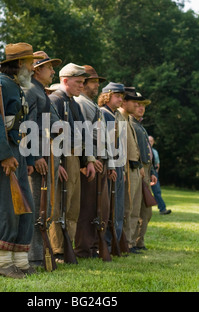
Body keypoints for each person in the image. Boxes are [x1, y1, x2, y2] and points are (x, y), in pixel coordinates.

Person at [0, 43, 44, 278]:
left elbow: (20, 128)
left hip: (16, 153)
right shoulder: (1, 86)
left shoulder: (13, 86)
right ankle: (5, 264)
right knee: (7, 207)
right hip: (4, 154)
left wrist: (24, 157)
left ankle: (20, 261)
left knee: (24, 206)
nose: (33, 67)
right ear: (18, 64)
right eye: (29, 63)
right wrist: (5, 156)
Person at [48, 63, 96, 263]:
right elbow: (50, 134)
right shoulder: (55, 100)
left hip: (75, 159)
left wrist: (88, 161)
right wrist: (56, 162)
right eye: (78, 82)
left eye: (83, 82)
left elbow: (82, 135)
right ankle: (57, 249)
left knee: (72, 207)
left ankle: (67, 246)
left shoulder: (73, 103)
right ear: (65, 80)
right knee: (59, 204)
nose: (82, 86)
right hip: (62, 158)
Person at [23, 51, 62, 266]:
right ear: (37, 69)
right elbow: (27, 127)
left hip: (48, 153)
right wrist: (35, 156)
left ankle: (39, 253)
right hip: (40, 156)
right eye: (49, 67)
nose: (53, 71)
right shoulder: (31, 91)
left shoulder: (40, 92)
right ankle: (34, 255)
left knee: (44, 206)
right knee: (37, 205)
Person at [74, 65, 114, 258]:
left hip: (99, 159)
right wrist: (87, 160)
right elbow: (84, 134)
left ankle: (91, 246)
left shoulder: (92, 105)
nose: (96, 85)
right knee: (88, 207)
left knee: (99, 208)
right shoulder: (81, 103)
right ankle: (83, 248)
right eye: (92, 81)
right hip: (92, 159)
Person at [98, 82, 126, 249]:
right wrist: (111, 165)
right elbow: (106, 143)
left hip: (118, 164)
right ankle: (107, 243)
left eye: (121, 96)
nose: (120, 99)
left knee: (118, 206)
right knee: (110, 206)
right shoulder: (104, 114)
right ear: (107, 96)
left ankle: (115, 240)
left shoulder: (114, 115)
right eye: (117, 95)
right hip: (111, 166)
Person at [118, 87, 145, 253]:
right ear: (124, 101)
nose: (137, 104)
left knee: (134, 208)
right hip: (126, 167)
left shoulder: (127, 118)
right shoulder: (120, 117)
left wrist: (140, 165)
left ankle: (131, 242)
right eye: (134, 101)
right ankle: (125, 243)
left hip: (134, 166)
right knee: (127, 208)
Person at [131, 99, 158, 250]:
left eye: (143, 106)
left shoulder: (140, 125)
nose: (141, 108)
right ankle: (132, 242)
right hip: (137, 168)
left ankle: (139, 241)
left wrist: (152, 171)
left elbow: (148, 151)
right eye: (138, 105)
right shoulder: (132, 125)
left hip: (146, 169)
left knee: (146, 209)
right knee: (136, 207)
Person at [149, 135, 171, 215]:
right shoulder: (144, 150)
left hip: (153, 173)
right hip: (145, 172)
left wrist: (155, 172)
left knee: (157, 191)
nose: (149, 142)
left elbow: (157, 163)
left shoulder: (155, 152)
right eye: (148, 141)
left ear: (153, 142)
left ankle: (162, 209)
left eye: (151, 141)